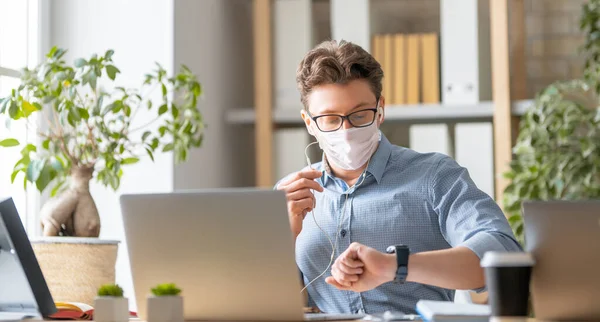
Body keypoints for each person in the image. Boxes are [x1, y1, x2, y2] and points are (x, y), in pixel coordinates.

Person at [275, 40, 522, 315]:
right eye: (330, 119)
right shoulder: (288, 196)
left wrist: (396, 266)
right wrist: (283, 238)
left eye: (359, 115)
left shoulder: (434, 176)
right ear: (309, 122)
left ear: (380, 109)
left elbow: (503, 257)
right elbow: (270, 306)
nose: (345, 131)